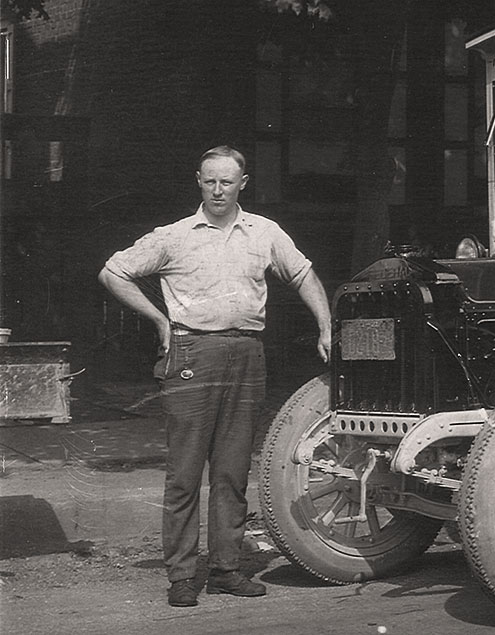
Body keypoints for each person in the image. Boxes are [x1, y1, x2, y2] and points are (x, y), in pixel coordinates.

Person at [99, 145, 332, 608]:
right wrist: (160, 321)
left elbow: (303, 274)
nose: (219, 189)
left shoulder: (264, 232)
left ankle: (226, 568)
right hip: (191, 353)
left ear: (243, 183)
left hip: (247, 354)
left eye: (227, 181)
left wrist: (325, 326)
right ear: (199, 182)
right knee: (185, 472)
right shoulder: (175, 236)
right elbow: (113, 272)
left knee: (232, 469)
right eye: (210, 181)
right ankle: (182, 576)